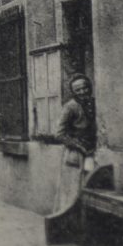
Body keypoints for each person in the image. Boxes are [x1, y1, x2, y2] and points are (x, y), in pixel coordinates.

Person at [55, 74, 97, 211]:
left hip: (93, 152)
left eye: (85, 88)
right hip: (76, 154)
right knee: (73, 192)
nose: (82, 92)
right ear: (73, 92)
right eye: (78, 90)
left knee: (92, 189)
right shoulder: (70, 107)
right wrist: (80, 147)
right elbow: (59, 134)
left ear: (90, 87)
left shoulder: (95, 103)